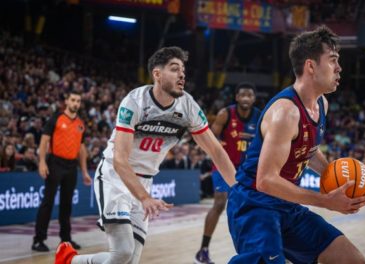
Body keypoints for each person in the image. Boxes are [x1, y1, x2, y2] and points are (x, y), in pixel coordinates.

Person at [55, 46, 236, 264]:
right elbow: (121, 161)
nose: (182, 75)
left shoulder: (187, 105)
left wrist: (238, 189)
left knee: (130, 260)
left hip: (145, 180)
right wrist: (145, 198)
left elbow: (215, 150)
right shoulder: (135, 102)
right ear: (157, 74)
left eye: (183, 71)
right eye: (174, 69)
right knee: (122, 252)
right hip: (116, 175)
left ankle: (68, 261)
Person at [226, 26, 365, 264]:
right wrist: (324, 201)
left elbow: (308, 150)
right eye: (333, 60)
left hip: (287, 204)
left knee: (351, 260)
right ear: (311, 66)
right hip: (255, 205)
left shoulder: (322, 104)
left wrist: (334, 177)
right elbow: (265, 180)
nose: (339, 68)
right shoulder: (285, 113)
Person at [195, 82, 260, 264]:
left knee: (253, 208)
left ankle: (254, 250)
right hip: (224, 165)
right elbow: (210, 137)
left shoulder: (260, 117)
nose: (246, 98)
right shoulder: (226, 114)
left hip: (246, 170)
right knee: (220, 202)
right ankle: (203, 251)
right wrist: (214, 148)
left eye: (249, 95)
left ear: (254, 98)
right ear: (237, 97)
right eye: (243, 95)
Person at [32, 91, 92, 252]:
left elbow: (82, 148)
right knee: (48, 202)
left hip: (71, 166)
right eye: (73, 100)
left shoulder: (80, 123)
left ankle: (66, 239)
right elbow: (44, 140)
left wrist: (85, 171)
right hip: (55, 163)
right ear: (66, 101)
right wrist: (42, 162)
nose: (76, 104)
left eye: (78, 101)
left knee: (67, 204)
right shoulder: (56, 118)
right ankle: (38, 240)